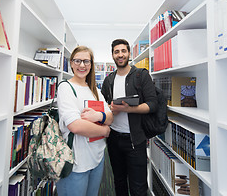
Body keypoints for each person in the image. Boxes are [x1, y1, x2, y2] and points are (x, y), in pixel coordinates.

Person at [101, 39, 158, 196]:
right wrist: (111, 109)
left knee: (138, 186)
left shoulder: (141, 75)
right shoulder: (109, 80)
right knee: (119, 181)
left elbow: (153, 105)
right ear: (112, 55)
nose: (120, 55)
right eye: (116, 52)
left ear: (129, 54)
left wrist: (130, 109)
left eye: (123, 51)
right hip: (113, 139)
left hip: (135, 140)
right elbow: (105, 106)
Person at [56, 45, 114, 196]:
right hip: (75, 162)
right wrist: (104, 130)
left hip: (97, 158)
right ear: (71, 63)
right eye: (78, 61)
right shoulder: (66, 88)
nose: (82, 65)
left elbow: (110, 116)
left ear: (91, 64)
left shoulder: (94, 90)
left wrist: (98, 116)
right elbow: (75, 126)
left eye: (86, 61)